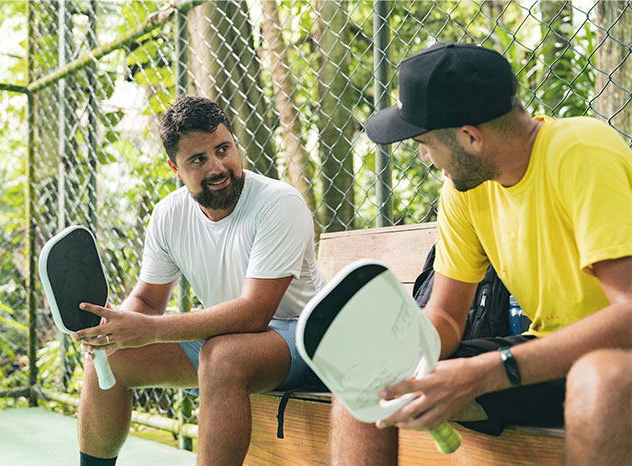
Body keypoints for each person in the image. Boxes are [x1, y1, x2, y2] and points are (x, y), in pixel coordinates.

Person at [332, 42, 632, 465]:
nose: (424, 156)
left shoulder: (582, 151)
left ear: (471, 137)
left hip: (613, 359)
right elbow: (448, 317)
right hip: (547, 358)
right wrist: (393, 356)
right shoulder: (464, 189)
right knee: (367, 386)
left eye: (425, 142)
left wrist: (489, 371)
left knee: (596, 379)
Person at [72, 96, 326, 466]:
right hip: (227, 337)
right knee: (107, 360)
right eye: (199, 159)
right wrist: (116, 329)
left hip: (305, 337)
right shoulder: (168, 215)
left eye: (223, 149)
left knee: (222, 356)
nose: (218, 166)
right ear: (175, 167)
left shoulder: (279, 203)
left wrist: (152, 330)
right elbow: (147, 300)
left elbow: (256, 312)